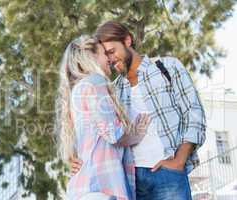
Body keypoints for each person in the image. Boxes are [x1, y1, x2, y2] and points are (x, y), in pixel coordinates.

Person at [70, 21, 206, 200]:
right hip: (131, 183)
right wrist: (73, 158)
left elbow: (194, 113)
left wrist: (179, 160)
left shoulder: (168, 67)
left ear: (127, 40)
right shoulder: (112, 89)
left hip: (168, 172)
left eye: (112, 51)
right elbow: (97, 130)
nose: (110, 60)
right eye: (106, 56)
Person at [55, 35, 151, 200]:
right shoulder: (95, 82)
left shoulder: (78, 90)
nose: (110, 58)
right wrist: (136, 134)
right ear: (90, 57)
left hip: (85, 189)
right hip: (102, 188)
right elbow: (113, 134)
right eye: (104, 53)